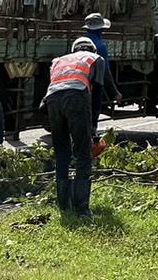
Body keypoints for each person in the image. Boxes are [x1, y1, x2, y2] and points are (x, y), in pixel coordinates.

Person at [43, 37, 111, 218]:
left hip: (52, 101)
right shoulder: (95, 59)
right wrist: (93, 126)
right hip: (76, 99)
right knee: (83, 154)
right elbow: (96, 93)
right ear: (92, 49)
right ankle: (82, 210)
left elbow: (53, 87)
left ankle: (63, 205)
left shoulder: (59, 60)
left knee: (62, 153)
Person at [83, 12, 124, 116]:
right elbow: (105, 72)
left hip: (77, 80)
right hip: (92, 83)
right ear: (101, 30)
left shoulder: (79, 42)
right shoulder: (100, 46)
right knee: (96, 104)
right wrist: (114, 93)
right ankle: (93, 128)